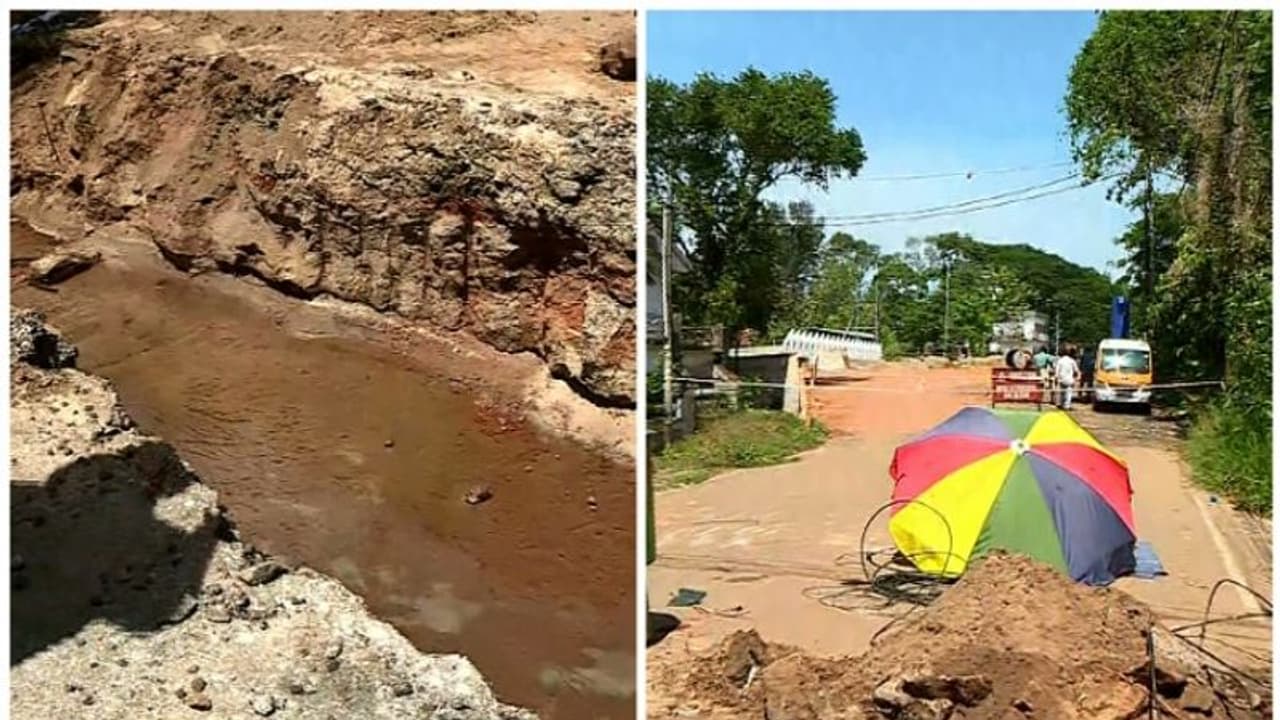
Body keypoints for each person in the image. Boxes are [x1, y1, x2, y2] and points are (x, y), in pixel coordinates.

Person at [1054, 345, 1081, 410]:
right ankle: (1067, 405)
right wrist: (1078, 377)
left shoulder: (1060, 361)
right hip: (1069, 379)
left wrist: (1056, 378)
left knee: (1062, 392)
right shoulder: (1072, 361)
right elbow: (1077, 370)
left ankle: (1061, 404)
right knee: (1069, 393)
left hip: (1062, 379)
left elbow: (1057, 371)